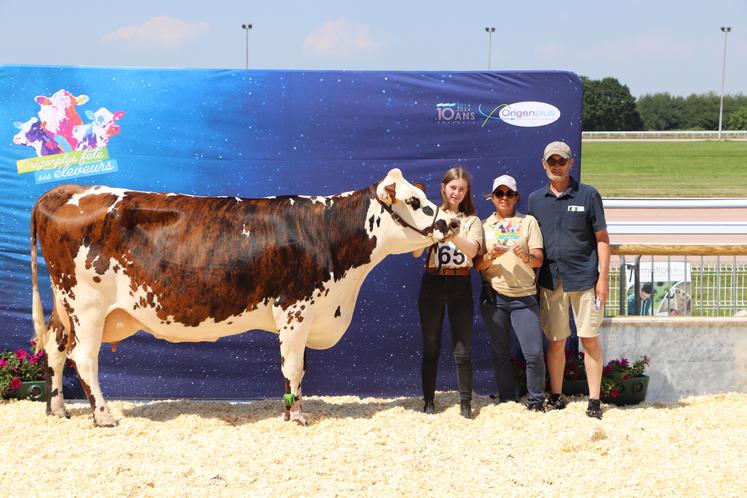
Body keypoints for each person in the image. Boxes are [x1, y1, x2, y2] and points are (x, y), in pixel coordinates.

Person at [528, 141, 610, 419]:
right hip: (551, 281)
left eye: (561, 161)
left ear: (570, 163)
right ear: (544, 164)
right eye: (551, 161)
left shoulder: (589, 195)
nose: (556, 165)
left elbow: (602, 239)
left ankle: (595, 400)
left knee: (589, 340)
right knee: (556, 342)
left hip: (585, 279)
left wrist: (603, 278)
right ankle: (556, 395)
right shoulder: (535, 199)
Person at [413, 166, 483, 419]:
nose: (457, 193)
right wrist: (430, 232)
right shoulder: (431, 216)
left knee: (462, 348)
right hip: (432, 284)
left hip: (460, 284)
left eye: (462, 189)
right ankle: (428, 402)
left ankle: (466, 404)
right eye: (453, 187)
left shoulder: (472, 220)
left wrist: (451, 234)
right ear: (443, 188)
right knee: (431, 345)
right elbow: (415, 252)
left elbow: (473, 251)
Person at [473, 175, 547, 411]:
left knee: (534, 353)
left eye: (508, 194)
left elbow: (539, 260)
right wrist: (490, 256)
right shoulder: (483, 226)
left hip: (524, 297)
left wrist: (526, 256)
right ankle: (507, 400)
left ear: (516, 197)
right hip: (494, 296)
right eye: (499, 194)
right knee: (500, 353)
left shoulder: (528, 222)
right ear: (492, 198)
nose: (504, 198)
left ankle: (536, 401)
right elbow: (477, 265)